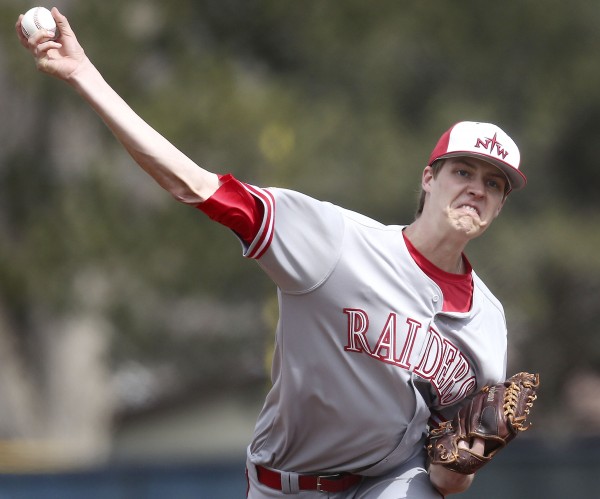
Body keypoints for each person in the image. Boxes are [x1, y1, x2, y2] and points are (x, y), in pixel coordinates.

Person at [17, 8, 527, 498]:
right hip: (283, 482)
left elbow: (447, 478)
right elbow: (193, 184)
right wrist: (84, 75)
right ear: (428, 179)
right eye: (463, 172)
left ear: (501, 205)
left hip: (391, 482)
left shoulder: (487, 323)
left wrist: (462, 465)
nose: (477, 189)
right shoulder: (336, 243)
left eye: (494, 184)